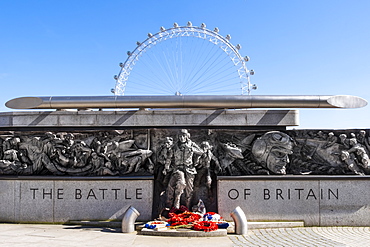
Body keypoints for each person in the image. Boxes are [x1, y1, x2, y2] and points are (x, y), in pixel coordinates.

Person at [165, 129, 203, 209]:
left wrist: (192, 149)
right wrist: (166, 167)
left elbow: (201, 152)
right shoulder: (175, 146)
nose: (181, 138)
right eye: (180, 136)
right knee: (172, 185)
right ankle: (171, 205)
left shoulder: (192, 144)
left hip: (189, 169)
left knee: (189, 189)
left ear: (187, 136)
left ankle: (187, 207)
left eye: (183, 136)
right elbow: (169, 157)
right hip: (178, 169)